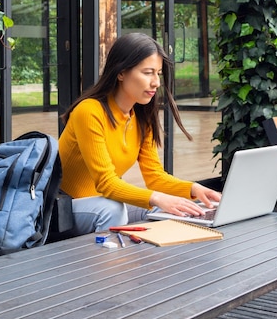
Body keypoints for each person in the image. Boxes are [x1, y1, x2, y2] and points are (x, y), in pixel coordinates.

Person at [58, 32, 221, 235]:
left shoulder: (141, 117)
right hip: (65, 209)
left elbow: (155, 177)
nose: (156, 83)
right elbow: (107, 184)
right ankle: (107, 264)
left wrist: (193, 189)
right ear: (121, 73)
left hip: (103, 202)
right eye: (147, 72)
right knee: (114, 209)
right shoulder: (89, 111)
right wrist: (157, 197)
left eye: (158, 74)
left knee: (170, 208)